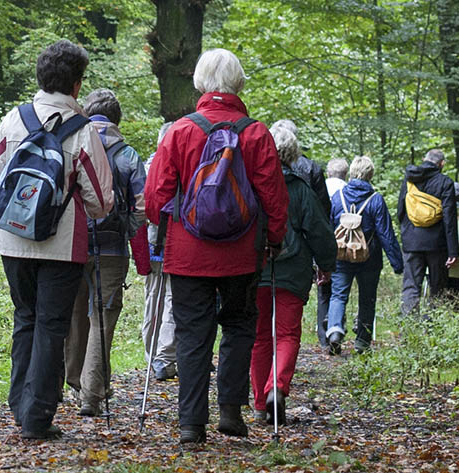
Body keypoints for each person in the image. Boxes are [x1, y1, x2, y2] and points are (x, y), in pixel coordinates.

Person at [145, 48, 288, 444]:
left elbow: (155, 197)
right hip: (242, 253)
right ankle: (230, 411)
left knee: (192, 334)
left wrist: (169, 225)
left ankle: (191, 423)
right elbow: (274, 197)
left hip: (187, 253)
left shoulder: (180, 130)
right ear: (238, 83)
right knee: (240, 326)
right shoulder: (256, 133)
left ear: (200, 82)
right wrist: (274, 239)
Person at [0, 40, 113, 439]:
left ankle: (20, 405)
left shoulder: (13, 121)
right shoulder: (83, 131)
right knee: (52, 325)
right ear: (76, 85)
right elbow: (102, 199)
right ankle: (37, 418)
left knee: (26, 318)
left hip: (11, 242)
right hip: (62, 245)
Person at [64, 89, 147, 416]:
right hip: (112, 250)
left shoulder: (73, 144)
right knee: (102, 319)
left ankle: (76, 381)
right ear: (117, 119)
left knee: (74, 315)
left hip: (72, 244)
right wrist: (131, 232)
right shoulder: (128, 156)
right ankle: (91, 394)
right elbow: (142, 208)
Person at [250, 127, 336, 425]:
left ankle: (260, 404)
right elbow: (320, 231)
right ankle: (277, 387)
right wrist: (326, 264)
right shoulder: (300, 189)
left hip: (257, 270)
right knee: (286, 334)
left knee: (259, 337)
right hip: (292, 272)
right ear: (293, 155)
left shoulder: (251, 184)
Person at [325, 156, 404, 355]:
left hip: (341, 255)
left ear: (351, 172)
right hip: (369, 259)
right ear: (370, 174)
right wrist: (397, 262)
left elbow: (328, 227)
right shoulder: (375, 199)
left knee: (338, 294)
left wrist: (322, 257)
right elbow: (385, 233)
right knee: (367, 299)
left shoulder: (338, 197)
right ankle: (362, 342)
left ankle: (334, 330)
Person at [397, 149, 459, 316]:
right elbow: (449, 219)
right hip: (436, 245)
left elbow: (400, 211)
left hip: (412, 242)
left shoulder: (409, 179)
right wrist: (453, 250)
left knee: (411, 286)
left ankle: (409, 329)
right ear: (441, 164)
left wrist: (407, 232)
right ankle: (432, 328)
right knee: (437, 287)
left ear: (424, 159)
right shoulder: (445, 183)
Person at [141, 122, 178, 381]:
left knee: (152, 296)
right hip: (175, 242)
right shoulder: (182, 167)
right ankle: (164, 357)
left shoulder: (146, 166)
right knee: (171, 298)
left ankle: (152, 354)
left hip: (150, 241)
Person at [316, 158, 348, 348]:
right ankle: (336, 327)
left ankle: (323, 337)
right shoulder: (347, 190)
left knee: (323, 292)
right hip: (343, 246)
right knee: (339, 291)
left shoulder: (320, 187)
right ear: (345, 174)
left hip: (320, 243)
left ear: (328, 173)